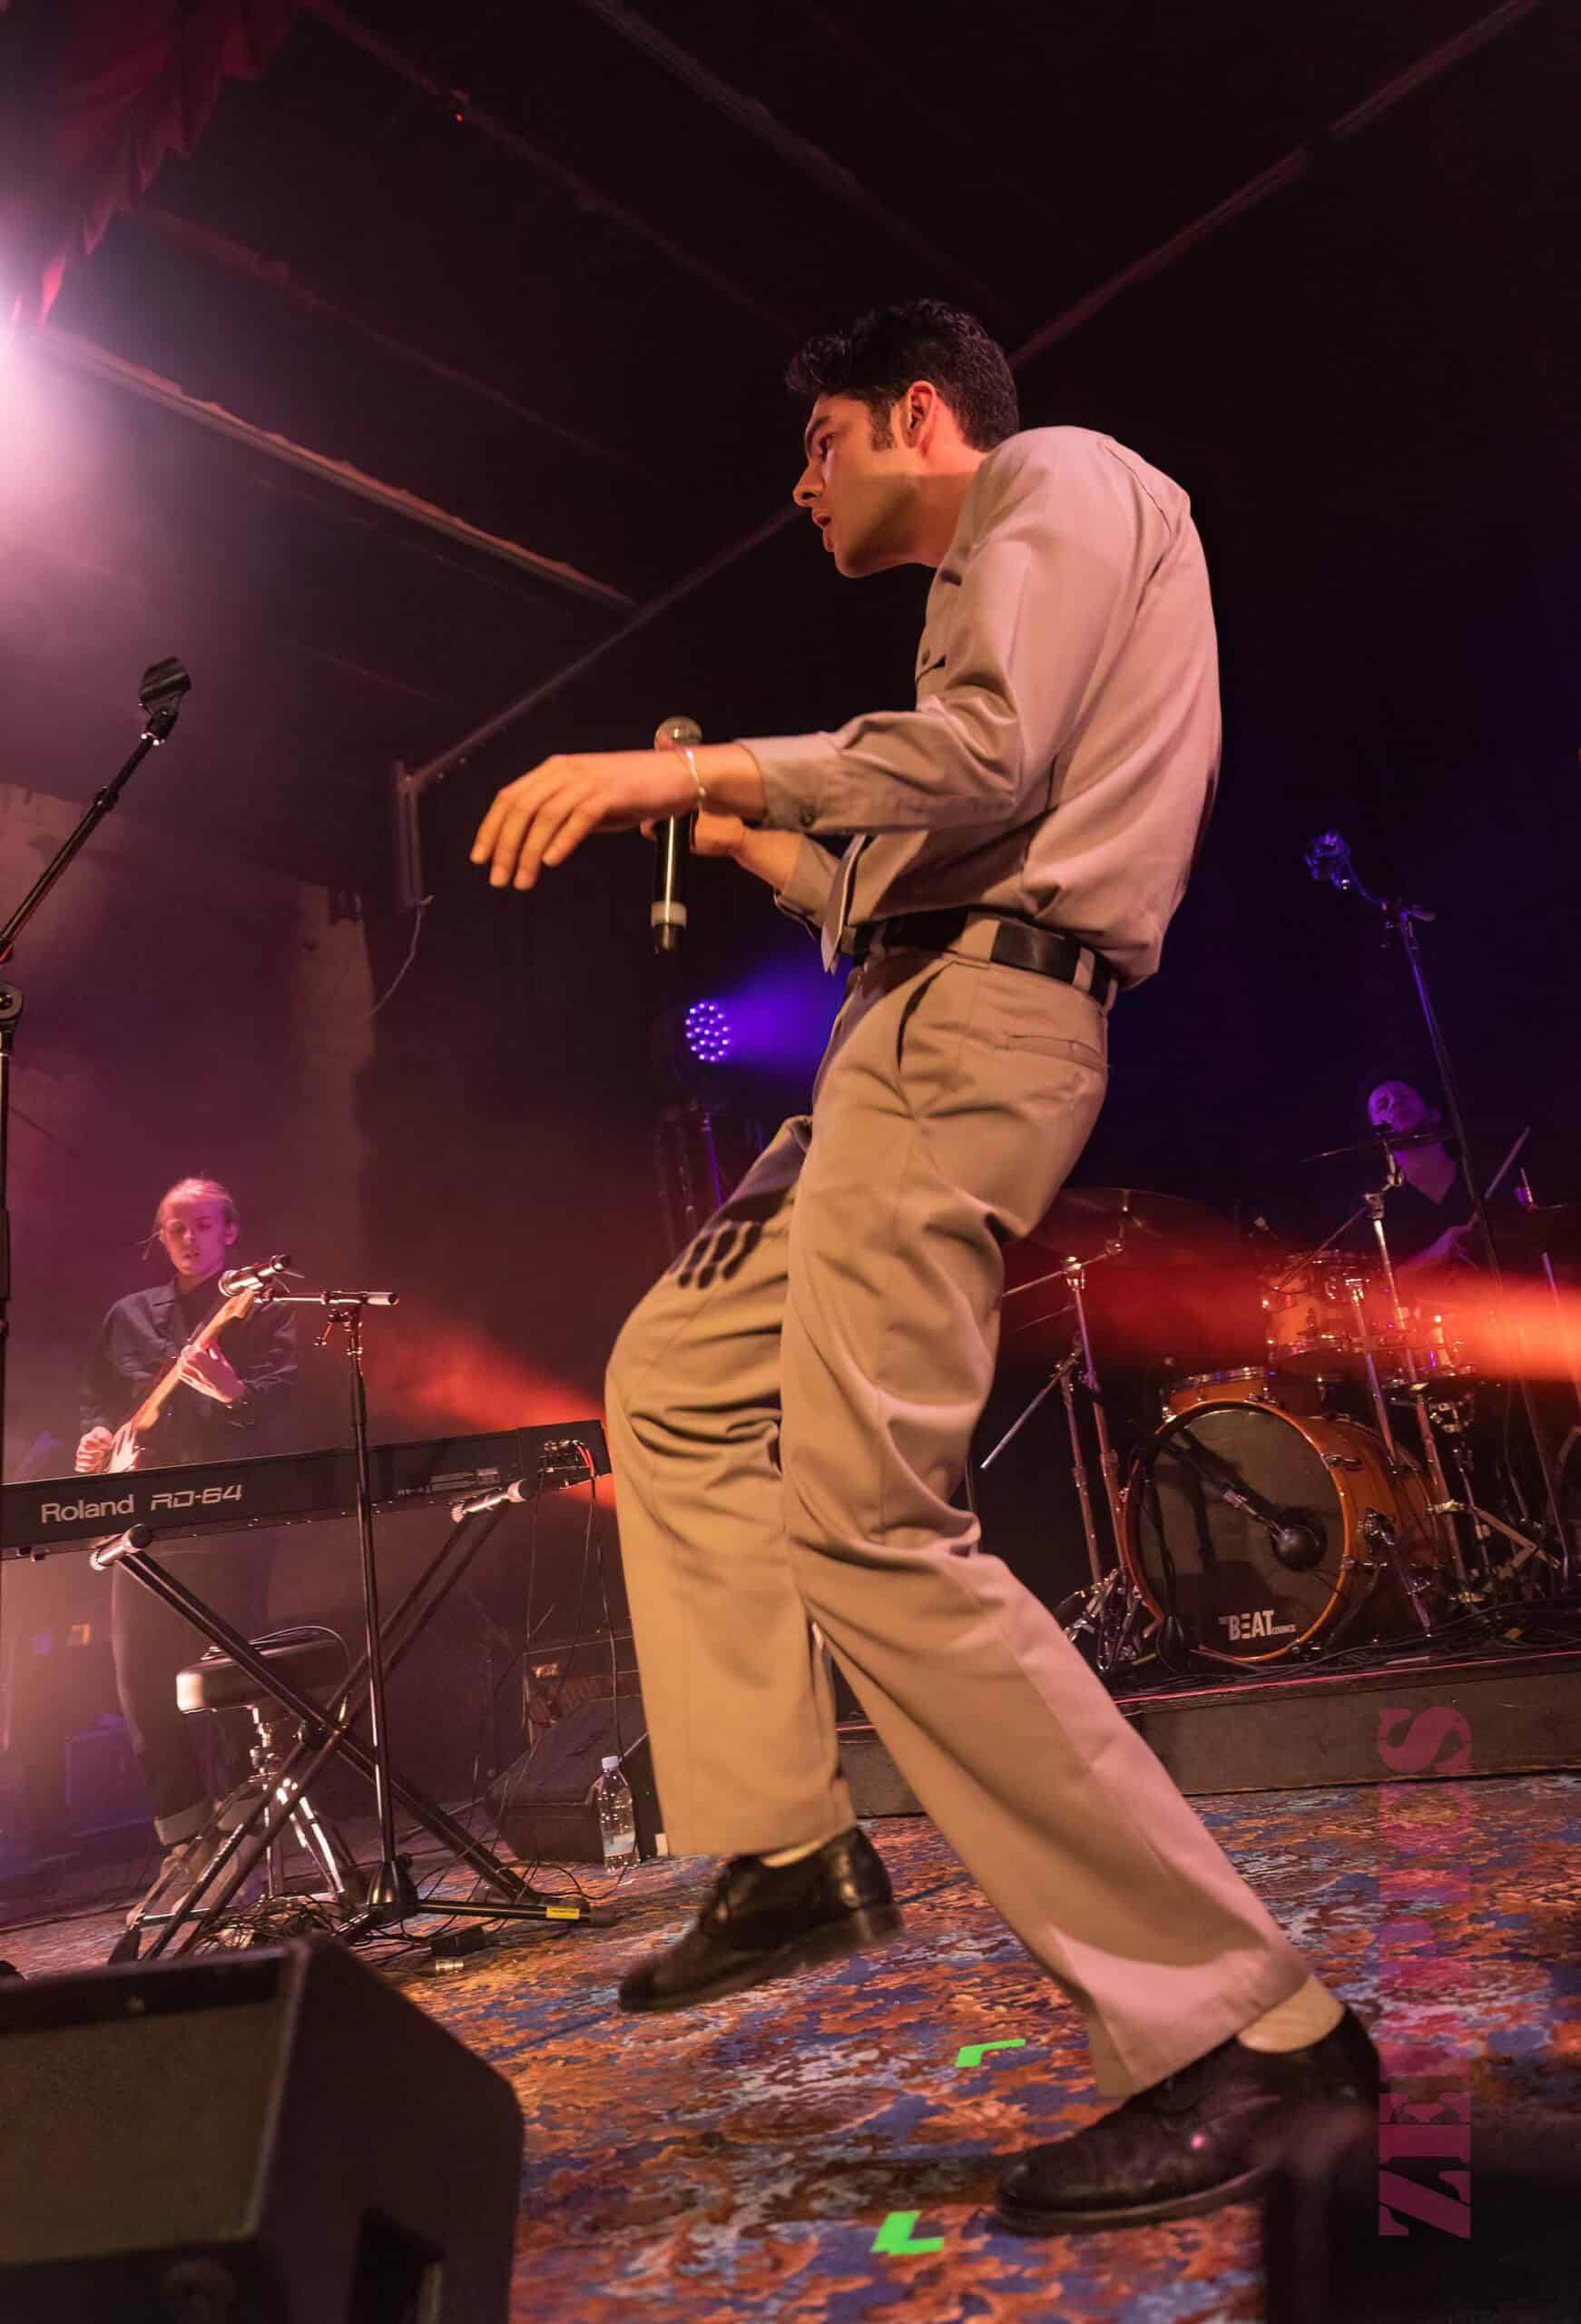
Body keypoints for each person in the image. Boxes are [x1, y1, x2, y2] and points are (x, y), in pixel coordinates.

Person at [469, 300, 1378, 2234]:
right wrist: (760, 841)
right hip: (910, 1024)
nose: (799, 489)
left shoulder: (1054, 479)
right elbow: (930, 845)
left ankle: (1253, 2030)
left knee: (870, 1517)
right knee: (676, 1379)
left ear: (914, 414)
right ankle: (786, 1846)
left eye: (818, 445)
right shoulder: (1006, 573)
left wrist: (665, 779)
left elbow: (984, 755)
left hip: (969, 1037)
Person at [76, 1175, 297, 1886]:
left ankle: (244, 1840)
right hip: (142, 1524)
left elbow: (293, 1404)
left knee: (229, 1680)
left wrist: (235, 1393)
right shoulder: (127, 1317)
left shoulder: (259, 1310)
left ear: (230, 1232)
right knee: (141, 1687)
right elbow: (98, 1402)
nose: (189, 1239)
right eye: (176, 1227)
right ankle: (184, 1843)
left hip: (228, 1521)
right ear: (160, 1235)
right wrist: (97, 1439)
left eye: (203, 1225)